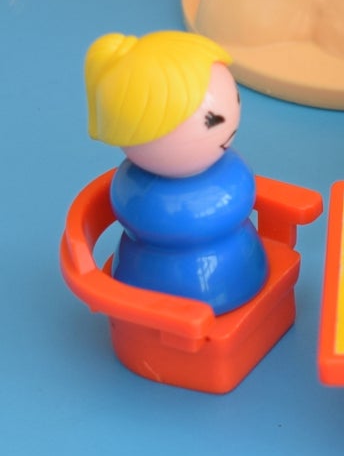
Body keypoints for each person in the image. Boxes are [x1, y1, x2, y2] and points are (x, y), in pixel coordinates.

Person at [85, 30, 267, 313]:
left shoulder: (228, 169)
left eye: (236, 99)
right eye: (210, 121)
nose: (228, 122)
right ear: (137, 133)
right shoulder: (137, 190)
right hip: (158, 298)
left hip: (243, 269)